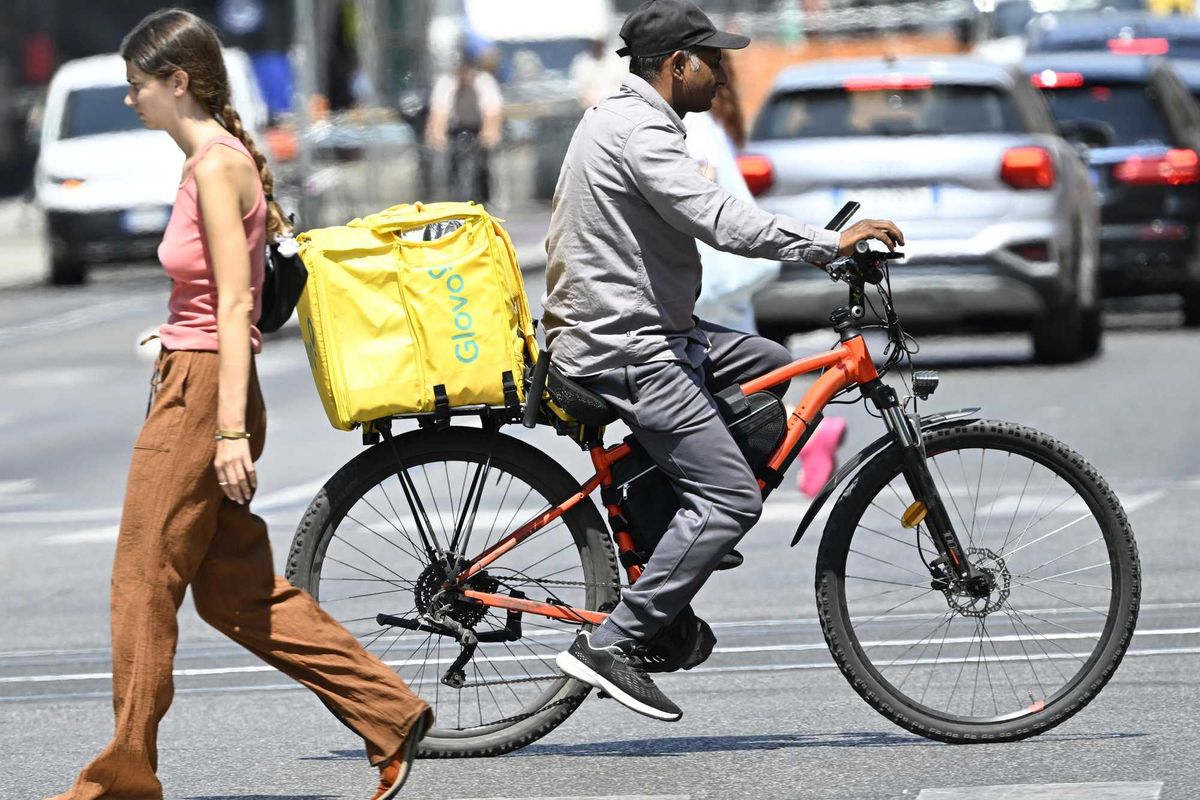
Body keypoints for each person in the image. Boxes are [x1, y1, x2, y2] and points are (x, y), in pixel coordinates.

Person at [44, 11, 431, 800]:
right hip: (194, 374)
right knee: (236, 593)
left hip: (201, 395)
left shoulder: (216, 165)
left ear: (177, 82)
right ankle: (389, 712)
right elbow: (209, 300)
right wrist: (178, 330)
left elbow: (235, 306)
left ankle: (122, 776)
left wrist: (227, 430)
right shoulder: (210, 160)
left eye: (138, 86)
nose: (130, 100)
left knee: (141, 580)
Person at [545, 0, 903, 722]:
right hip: (625, 346)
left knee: (769, 363)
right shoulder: (637, 129)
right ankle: (611, 644)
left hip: (657, 329)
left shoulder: (637, 120)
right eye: (712, 59)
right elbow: (718, 218)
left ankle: (659, 528)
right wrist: (829, 243)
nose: (723, 71)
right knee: (732, 498)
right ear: (676, 66)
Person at [682, 56, 850, 499]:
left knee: (725, 385)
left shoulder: (691, 127)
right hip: (731, 274)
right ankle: (806, 431)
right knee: (740, 383)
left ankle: (798, 436)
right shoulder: (715, 123)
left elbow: (707, 207)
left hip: (710, 277)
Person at [425, 48, 503, 203]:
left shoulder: (484, 81)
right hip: (455, 128)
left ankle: (485, 199)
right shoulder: (446, 83)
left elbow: (492, 111)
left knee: (483, 165)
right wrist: (437, 135)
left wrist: (489, 133)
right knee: (452, 164)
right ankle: (453, 197)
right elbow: (439, 112)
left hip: (477, 126)